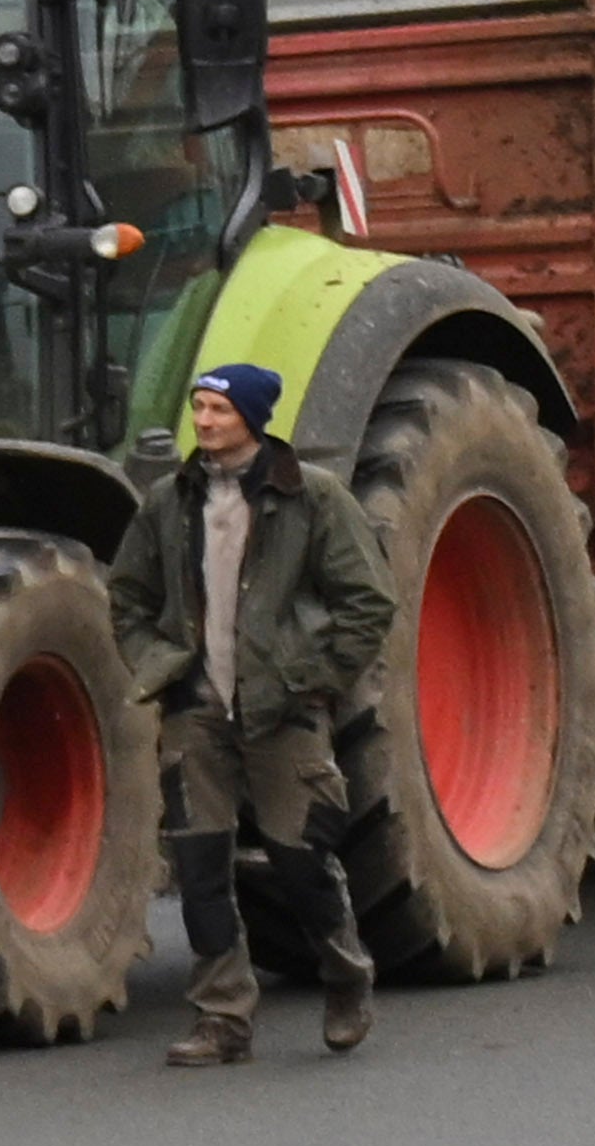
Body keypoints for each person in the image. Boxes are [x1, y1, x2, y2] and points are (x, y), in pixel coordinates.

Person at [116, 359, 392, 1066]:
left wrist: (316, 680)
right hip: (196, 711)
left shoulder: (313, 498)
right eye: (198, 408)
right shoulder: (168, 501)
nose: (203, 421)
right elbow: (128, 598)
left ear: (253, 417)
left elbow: (368, 601)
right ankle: (221, 1019)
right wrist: (159, 666)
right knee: (202, 867)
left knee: (301, 861)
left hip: (283, 711)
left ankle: (344, 977)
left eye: (217, 409)